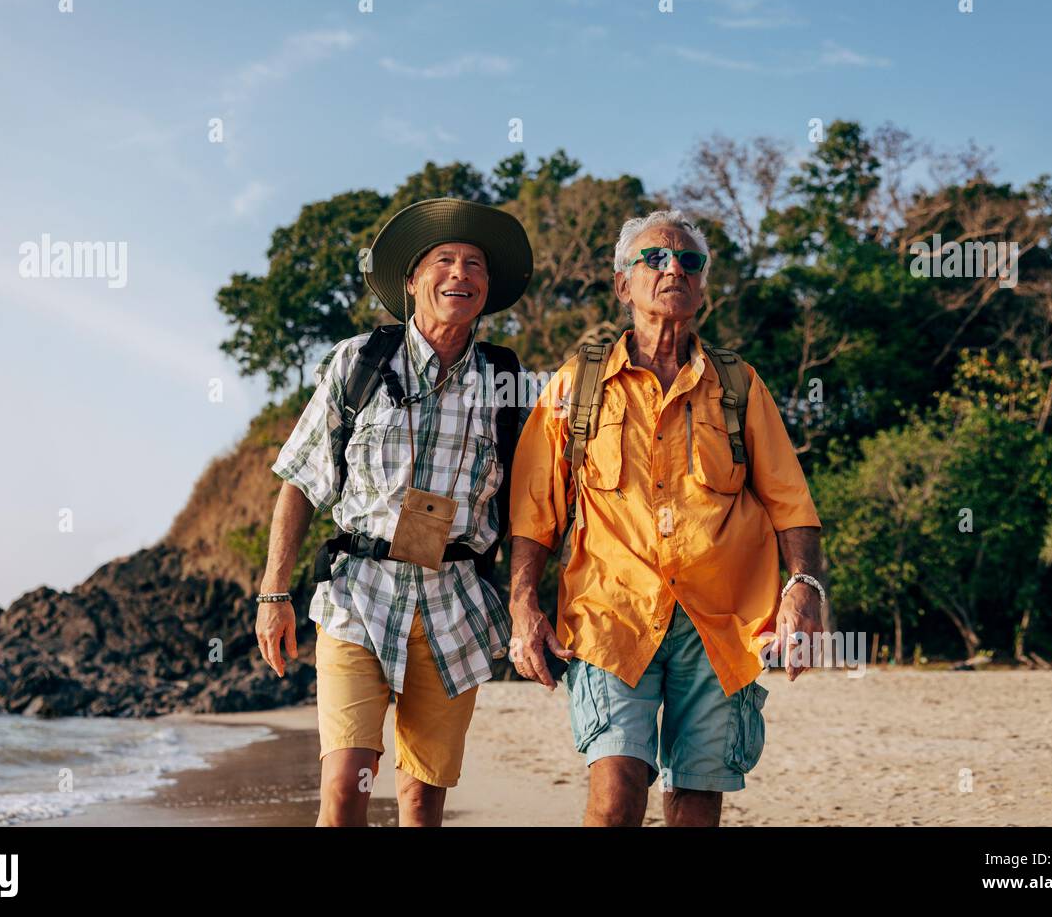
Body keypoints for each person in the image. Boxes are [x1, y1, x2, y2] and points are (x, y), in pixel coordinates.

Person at [507, 209, 827, 827]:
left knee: (697, 804)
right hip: (610, 614)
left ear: (703, 288)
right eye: (654, 258)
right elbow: (533, 513)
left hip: (723, 620)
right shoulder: (575, 386)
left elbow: (792, 502)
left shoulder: (739, 384)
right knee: (615, 791)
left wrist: (804, 589)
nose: (673, 268)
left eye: (689, 261)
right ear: (624, 285)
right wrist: (524, 605)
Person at [255, 197, 533, 826]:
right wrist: (273, 593)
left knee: (422, 801)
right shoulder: (358, 361)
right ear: (412, 282)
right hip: (359, 596)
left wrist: (531, 602)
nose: (460, 273)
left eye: (474, 265)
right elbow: (300, 481)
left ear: (487, 289)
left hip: (455, 604)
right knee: (346, 787)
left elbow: (532, 510)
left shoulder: (508, 383)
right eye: (444, 260)